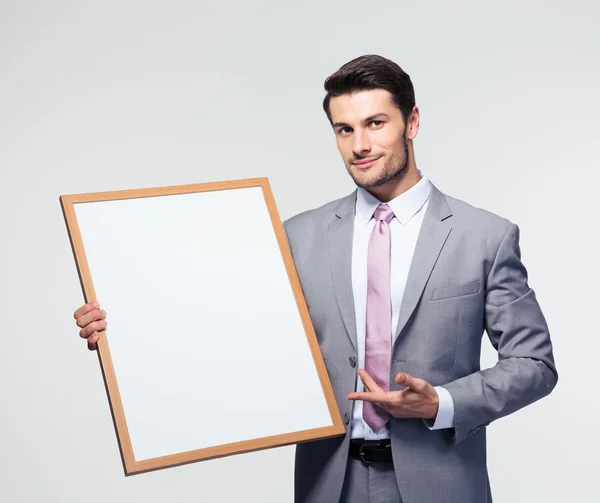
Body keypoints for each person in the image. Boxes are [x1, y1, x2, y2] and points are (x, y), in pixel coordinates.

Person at [73, 54, 558, 503]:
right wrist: (126, 338)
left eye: (375, 124)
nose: (360, 145)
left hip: (442, 481)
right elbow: (235, 339)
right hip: (330, 482)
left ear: (411, 122)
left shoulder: (485, 237)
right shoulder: (299, 236)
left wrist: (442, 402)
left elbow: (534, 364)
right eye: (343, 130)